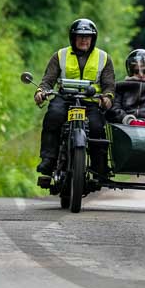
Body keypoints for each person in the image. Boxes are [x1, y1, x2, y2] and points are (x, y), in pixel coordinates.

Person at [34, 18, 115, 175]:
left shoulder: (104, 58)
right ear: (73, 38)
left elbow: (109, 85)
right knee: (53, 116)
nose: (84, 40)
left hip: (91, 102)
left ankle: (100, 167)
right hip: (65, 99)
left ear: (93, 38)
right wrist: (40, 92)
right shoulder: (60, 55)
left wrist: (107, 98)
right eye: (80, 36)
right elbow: (48, 80)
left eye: (88, 36)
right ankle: (48, 159)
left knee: (97, 127)